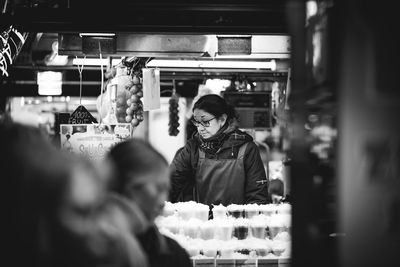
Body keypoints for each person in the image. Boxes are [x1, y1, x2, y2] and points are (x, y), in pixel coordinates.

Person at [105, 139, 192, 267]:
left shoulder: (171, 253)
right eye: (159, 188)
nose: (163, 201)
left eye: (166, 189)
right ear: (131, 187)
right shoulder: (92, 250)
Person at [169, 94, 268, 206]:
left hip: (237, 221)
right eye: (197, 122)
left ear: (222, 119)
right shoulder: (193, 148)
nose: (200, 128)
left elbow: (257, 196)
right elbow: (170, 182)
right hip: (201, 221)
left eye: (205, 122)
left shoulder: (247, 149)